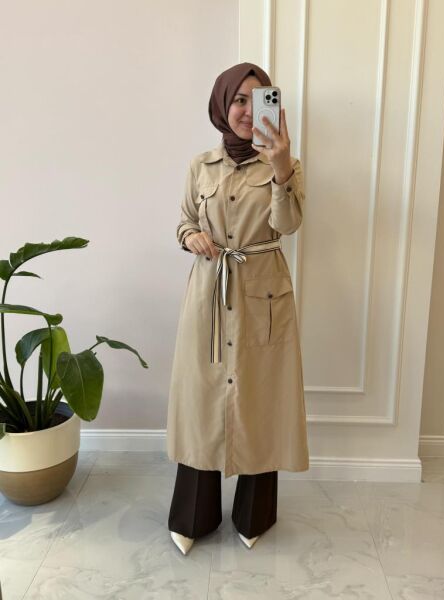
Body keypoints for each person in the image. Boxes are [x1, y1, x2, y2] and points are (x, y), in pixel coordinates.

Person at [166, 62, 309, 555]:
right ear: (222, 105)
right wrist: (191, 236)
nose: (249, 111)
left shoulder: (285, 164)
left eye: (260, 98)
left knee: (261, 397)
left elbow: (287, 224)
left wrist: (281, 166)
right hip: (208, 291)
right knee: (201, 398)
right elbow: (184, 219)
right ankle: (194, 515)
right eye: (239, 100)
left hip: (263, 293)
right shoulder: (200, 166)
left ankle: (255, 514)